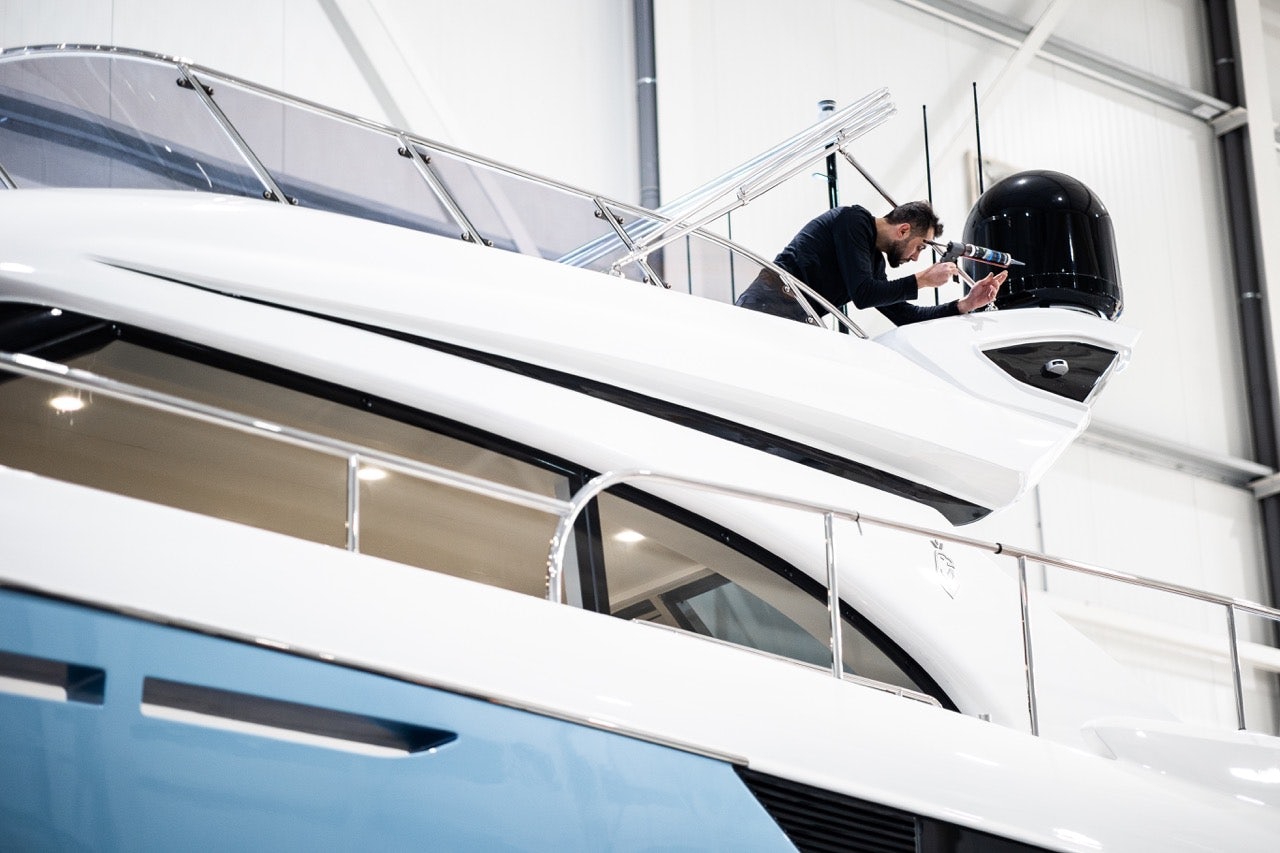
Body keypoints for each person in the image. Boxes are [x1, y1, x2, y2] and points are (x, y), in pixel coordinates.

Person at [734, 200, 1006, 325]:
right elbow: (863, 294)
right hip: (766, 309)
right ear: (903, 230)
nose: (915, 257)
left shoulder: (873, 262)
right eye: (919, 247)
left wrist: (964, 304)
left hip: (794, 319)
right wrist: (922, 280)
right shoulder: (853, 220)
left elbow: (905, 316)